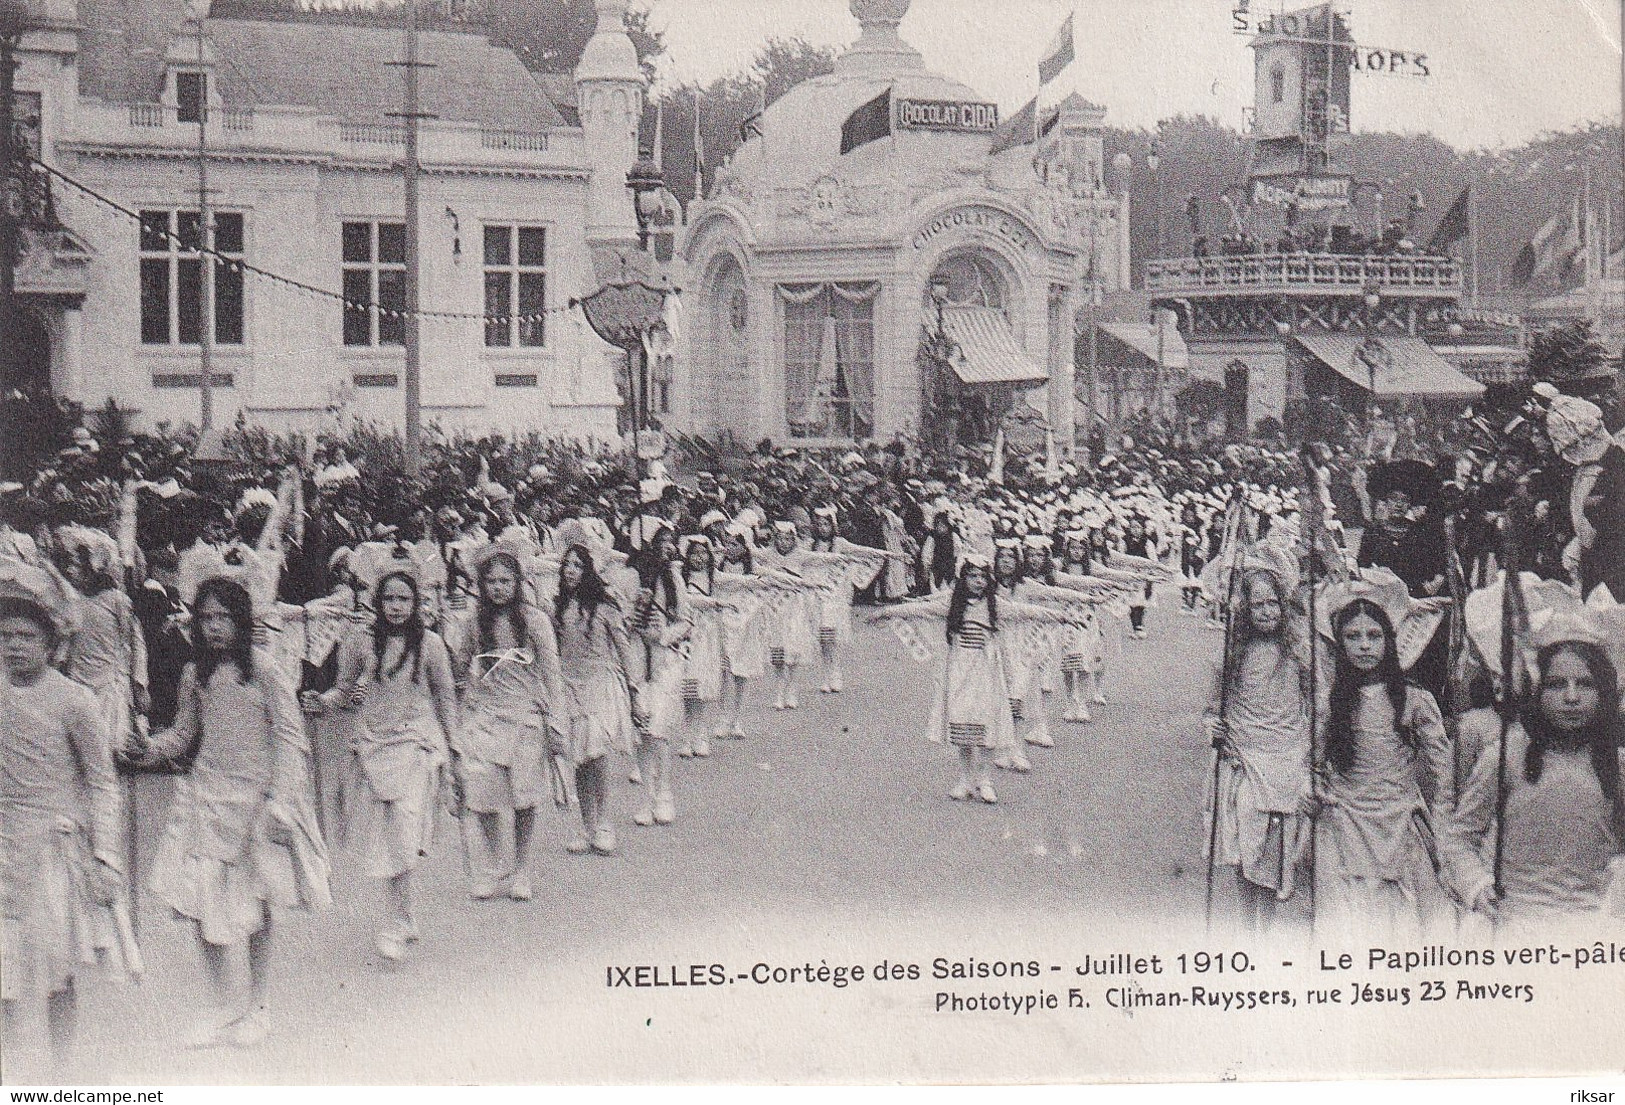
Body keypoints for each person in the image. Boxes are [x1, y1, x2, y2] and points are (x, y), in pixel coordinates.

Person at [143, 576, 331, 1049]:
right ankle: (221, 1005)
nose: (213, 627)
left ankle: (258, 1005)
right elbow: (185, 734)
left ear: (241, 620)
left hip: (257, 802)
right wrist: (144, 748)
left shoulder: (264, 670)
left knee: (257, 906)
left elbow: (290, 738)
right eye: (205, 617)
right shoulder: (195, 674)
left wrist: (281, 801)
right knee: (201, 902)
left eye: (223, 616)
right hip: (206, 795)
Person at [0, 584, 127, 1074]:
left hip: (53, 846)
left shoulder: (75, 700)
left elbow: (102, 784)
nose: (14, 646)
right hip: (3, 842)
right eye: (6, 636)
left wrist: (106, 856)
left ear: (52, 646)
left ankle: (62, 1068)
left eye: (26, 637)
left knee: (58, 967)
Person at [305, 569, 456, 961]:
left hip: (416, 744)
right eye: (389, 599)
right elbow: (343, 688)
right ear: (377, 601)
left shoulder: (432, 645)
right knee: (389, 835)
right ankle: (402, 915)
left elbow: (444, 697)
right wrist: (323, 701)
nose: (396, 607)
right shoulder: (359, 641)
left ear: (416, 603)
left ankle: (398, 920)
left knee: (404, 830)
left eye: (404, 600)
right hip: (373, 743)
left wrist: (454, 748)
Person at [1446, 635, 1623, 930]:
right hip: (1517, 920)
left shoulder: (1615, 764)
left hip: (1593, 922)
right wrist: (1476, 886)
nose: (1571, 697)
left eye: (1585, 684)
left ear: (1603, 692)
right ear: (1536, 691)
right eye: (1556, 684)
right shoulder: (1505, 756)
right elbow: (1460, 837)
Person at [1313, 593, 1454, 942]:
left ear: (1389, 641)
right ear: (1340, 642)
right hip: (1345, 822)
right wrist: (1315, 789)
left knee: (1405, 925)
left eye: (1374, 636)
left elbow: (1442, 768)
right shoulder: (1330, 700)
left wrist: (1448, 821)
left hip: (1399, 822)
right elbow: (1314, 763)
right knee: (1348, 925)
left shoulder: (1414, 699)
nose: (1364, 646)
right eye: (1353, 636)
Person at [1204, 567, 1313, 935]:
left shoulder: (1299, 651)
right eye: (1257, 605)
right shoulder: (1230, 655)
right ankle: (1247, 927)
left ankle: (1262, 931)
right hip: (1244, 758)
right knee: (1244, 845)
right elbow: (1212, 708)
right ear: (1244, 611)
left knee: (1273, 853)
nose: (1267, 612)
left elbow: (1314, 703)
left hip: (1287, 757)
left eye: (1273, 604)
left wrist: (1312, 748)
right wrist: (1213, 728)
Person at [451, 543, 564, 897]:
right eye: (491, 581)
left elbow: (552, 674)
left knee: (524, 798)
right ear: (481, 585)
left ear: (518, 581)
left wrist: (558, 720)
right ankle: (492, 866)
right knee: (482, 796)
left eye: (505, 580)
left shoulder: (535, 621)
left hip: (526, 717)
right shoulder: (472, 623)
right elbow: (455, 670)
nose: (498, 587)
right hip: (484, 717)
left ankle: (522, 870)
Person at [554, 543, 643, 856]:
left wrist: (635, 691)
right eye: (567, 565)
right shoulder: (557, 607)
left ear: (587, 571)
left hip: (600, 686)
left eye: (577, 565)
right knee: (578, 760)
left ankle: (605, 823)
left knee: (598, 755)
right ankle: (586, 825)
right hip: (569, 688)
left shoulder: (605, 608)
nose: (570, 571)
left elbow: (624, 649)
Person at [627, 530, 690, 826]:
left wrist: (662, 636)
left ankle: (663, 794)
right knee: (641, 733)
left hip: (664, 663)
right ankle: (645, 798)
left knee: (659, 730)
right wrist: (635, 623)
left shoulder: (673, 581)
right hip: (636, 662)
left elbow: (686, 623)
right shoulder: (627, 586)